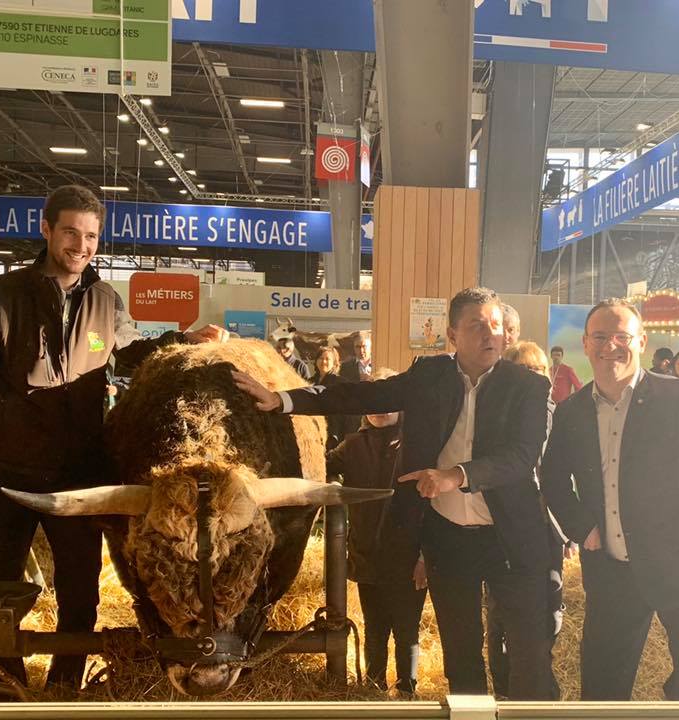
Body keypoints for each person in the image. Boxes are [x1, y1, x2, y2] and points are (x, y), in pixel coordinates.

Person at [0, 185, 227, 691]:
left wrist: (185, 342)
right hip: (7, 473)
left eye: (91, 235)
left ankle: (64, 686)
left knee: (81, 593)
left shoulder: (104, 300)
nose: (81, 244)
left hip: (78, 479)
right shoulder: (0, 297)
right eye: (71, 231)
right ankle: (2, 686)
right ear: (47, 230)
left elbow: (133, 352)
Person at [233, 287, 558, 699]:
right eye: (476, 325)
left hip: (511, 537)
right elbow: (359, 395)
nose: (490, 334)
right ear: (452, 334)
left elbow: (522, 456)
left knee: (530, 656)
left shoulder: (528, 386)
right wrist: (282, 399)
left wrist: (455, 476)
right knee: (460, 655)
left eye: (495, 325)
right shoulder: (430, 375)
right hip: (448, 537)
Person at [540, 298, 679, 701]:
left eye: (621, 336)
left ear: (641, 340)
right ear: (585, 344)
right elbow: (551, 479)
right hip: (611, 570)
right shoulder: (571, 412)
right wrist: (581, 526)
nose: (611, 346)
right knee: (603, 685)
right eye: (600, 337)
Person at [326, 367, 427, 696]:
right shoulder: (352, 445)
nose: (382, 408)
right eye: (375, 400)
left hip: (409, 556)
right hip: (367, 554)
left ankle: (408, 690)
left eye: (389, 401)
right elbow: (321, 466)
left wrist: (426, 556)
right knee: (375, 627)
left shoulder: (418, 445)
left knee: (407, 629)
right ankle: (373, 688)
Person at [485, 341, 565, 699]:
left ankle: (538, 695)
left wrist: (568, 530)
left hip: (546, 533)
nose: (535, 377)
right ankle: (507, 692)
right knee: (498, 622)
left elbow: (561, 479)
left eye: (540, 370)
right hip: (503, 535)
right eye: (526, 370)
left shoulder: (557, 417)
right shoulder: (500, 418)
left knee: (546, 616)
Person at [314, 345, 346, 449]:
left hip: (332, 431)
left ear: (334, 363)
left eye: (327, 359)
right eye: (321, 358)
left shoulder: (340, 382)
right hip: (313, 428)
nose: (323, 362)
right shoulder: (310, 381)